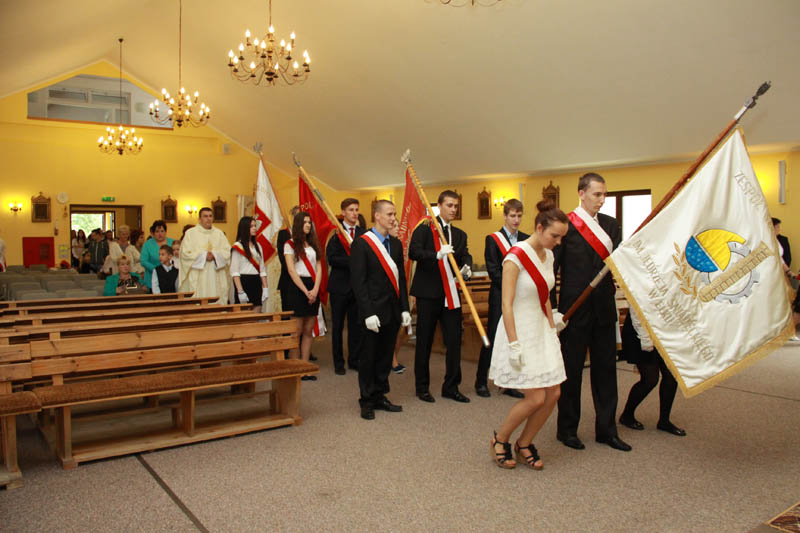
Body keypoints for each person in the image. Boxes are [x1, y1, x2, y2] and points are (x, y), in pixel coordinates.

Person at [552, 172, 631, 452]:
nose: (602, 200)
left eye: (604, 195)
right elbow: (550, 270)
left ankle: (607, 430)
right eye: (597, 194)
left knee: (606, 371)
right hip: (574, 311)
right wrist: (552, 310)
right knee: (572, 372)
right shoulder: (566, 225)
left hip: (604, 308)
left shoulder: (611, 225)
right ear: (581, 193)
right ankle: (567, 429)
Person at [490, 200, 568, 469]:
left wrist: (552, 323)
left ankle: (524, 442)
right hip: (519, 330)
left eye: (561, 237)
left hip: (540, 328)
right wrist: (514, 344)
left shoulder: (549, 255)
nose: (558, 242)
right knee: (535, 397)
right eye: (554, 236)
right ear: (539, 228)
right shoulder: (515, 257)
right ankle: (500, 439)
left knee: (553, 393)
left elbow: (544, 295)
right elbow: (506, 304)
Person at [409, 190, 473, 403]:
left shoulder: (460, 234)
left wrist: (467, 267)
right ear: (439, 206)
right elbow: (413, 252)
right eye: (449, 205)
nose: (453, 209)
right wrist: (436, 254)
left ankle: (451, 387)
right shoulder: (426, 228)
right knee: (424, 341)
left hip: (450, 294)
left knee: (454, 341)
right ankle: (422, 387)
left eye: (456, 206)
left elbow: (465, 255)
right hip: (428, 294)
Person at [350, 199, 411, 420]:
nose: (394, 218)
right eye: (389, 214)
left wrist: (405, 308)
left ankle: (379, 395)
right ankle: (366, 400)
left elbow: (401, 279)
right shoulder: (362, 243)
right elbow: (359, 282)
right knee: (369, 357)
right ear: (377, 216)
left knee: (385, 356)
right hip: (372, 312)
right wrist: (367, 313)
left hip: (392, 311)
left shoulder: (395, 244)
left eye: (394, 214)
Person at [476, 198, 529, 399]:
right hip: (500, 296)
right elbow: (493, 270)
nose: (516, 220)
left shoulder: (526, 239)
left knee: (514, 338)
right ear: (505, 216)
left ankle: (509, 383)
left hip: (520, 298)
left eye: (519, 216)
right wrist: (513, 286)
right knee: (491, 337)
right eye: (512, 216)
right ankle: (481, 381)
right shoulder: (493, 239)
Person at [619, 310, 686, 437]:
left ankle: (664, 421)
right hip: (641, 330)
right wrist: (646, 340)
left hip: (663, 330)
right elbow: (636, 312)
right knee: (650, 379)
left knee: (671, 376)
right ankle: (627, 415)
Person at [326, 198, 366, 375]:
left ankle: (354, 360)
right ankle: (338, 362)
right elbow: (332, 258)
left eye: (356, 209)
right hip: (339, 287)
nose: (355, 213)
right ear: (343, 212)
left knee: (355, 327)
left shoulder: (363, 233)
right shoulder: (335, 232)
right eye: (351, 210)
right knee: (337, 327)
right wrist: (353, 261)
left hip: (357, 287)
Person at [284, 212, 322, 377]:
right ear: (299, 224)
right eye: (305, 222)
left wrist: (315, 289)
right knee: (296, 331)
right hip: (297, 288)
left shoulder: (313, 244)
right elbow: (291, 270)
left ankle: (305, 368)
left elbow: (319, 267)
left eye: (309, 222)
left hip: (313, 286)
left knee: (308, 330)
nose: (308, 225)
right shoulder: (290, 244)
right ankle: (296, 368)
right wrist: (306, 291)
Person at [180, 208, 231, 303]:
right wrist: (203, 256)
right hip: (199, 275)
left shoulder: (219, 234)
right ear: (199, 219)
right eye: (205, 216)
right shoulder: (190, 233)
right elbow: (185, 254)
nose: (208, 219)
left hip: (216, 275)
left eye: (210, 216)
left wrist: (215, 255)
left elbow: (228, 253)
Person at [230, 216, 268, 310]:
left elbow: (262, 269)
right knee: (244, 315)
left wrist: (265, 288)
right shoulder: (237, 246)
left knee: (257, 311)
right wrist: (240, 291)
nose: (254, 228)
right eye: (251, 226)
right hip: (243, 281)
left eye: (255, 226)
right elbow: (235, 272)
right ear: (244, 228)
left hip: (256, 281)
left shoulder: (258, 246)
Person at [277, 206, 300, 312]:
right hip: (288, 280)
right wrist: (295, 272)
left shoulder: (309, 236)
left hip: (305, 281)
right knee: (288, 313)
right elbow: (283, 259)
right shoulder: (284, 234)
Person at [141, 220, 174, 290]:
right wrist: (157, 270)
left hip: (170, 277)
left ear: (165, 232)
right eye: (157, 231)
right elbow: (143, 261)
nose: (160, 234)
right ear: (153, 233)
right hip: (151, 277)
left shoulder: (172, 242)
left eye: (162, 231)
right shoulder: (147, 244)